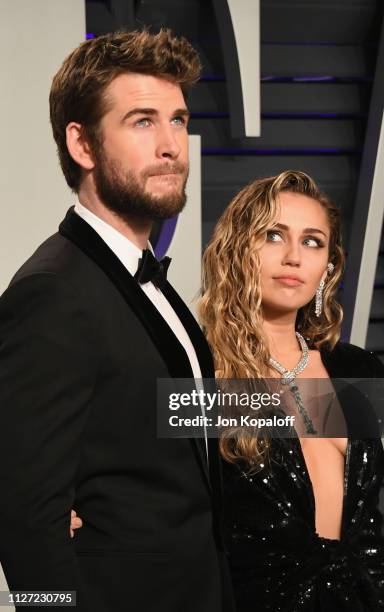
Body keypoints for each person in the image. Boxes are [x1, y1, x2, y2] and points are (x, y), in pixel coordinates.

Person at [0, 30, 234, 612]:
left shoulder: (141, 275)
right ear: (82, 144)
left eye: (178, 121)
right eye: (142, 121)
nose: (171, 146)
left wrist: (343, 400)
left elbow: (168, 419)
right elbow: (25, 518)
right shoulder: (53, 292)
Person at [197, 170, 384, 611]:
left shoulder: (356, 369)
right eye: (273, 235)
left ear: (328, 265)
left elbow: (368, 531)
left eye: (312, 241)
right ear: (237, 250)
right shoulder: (204, 374)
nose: (294, 257)